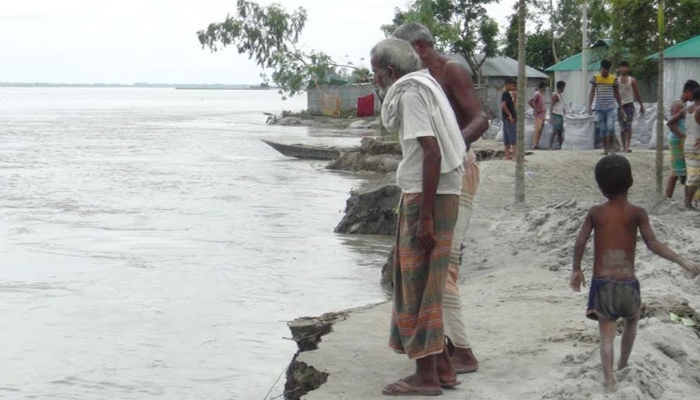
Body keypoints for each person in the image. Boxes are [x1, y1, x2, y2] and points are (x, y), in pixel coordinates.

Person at [371, 37, 467, 396]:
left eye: (376, 74)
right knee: (428, 282)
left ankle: (426, 377)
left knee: (416, 285)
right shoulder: (426, 84)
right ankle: (441, 368)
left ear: (389, 71)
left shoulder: (410, 94)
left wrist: (423, 216)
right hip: (442, 193)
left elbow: (431, 152)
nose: (375, 81)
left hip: (428, 196)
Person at [393, 21, 488, 375]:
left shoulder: (450, 71)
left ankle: (461, 350)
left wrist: (452, 147)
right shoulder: (419, 82)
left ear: (418, 47)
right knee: (439, 263)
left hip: (456, 172)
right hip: (439, 175)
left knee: (443, 267)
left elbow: (481, 119)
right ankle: (445, 346)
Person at [570, 155, 700, 392]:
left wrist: (576, 269)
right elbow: (653, 243)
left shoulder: (596, 212)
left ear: (600, 186)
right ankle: (623, 364)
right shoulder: (637, 212)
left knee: (606, 334)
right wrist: (682, 260)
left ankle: (609, 381)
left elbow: (579, 243)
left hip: (602, 284)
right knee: (632, 320)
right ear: (632, 182)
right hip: (628, 282)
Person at [666, 80, 700, 200]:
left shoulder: (684, 106)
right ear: (688, 91)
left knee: (684, 172)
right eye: (693, 93)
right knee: (676, 172)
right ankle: (667, 198)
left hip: (681, 141)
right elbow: (671, 124)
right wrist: (683, 136)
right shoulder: (678, 104)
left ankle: (687, 200)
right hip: (677, 140)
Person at [588, 60, 623, 155]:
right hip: (599, 108)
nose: (605, 72)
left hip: (611, 107)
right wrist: (590, 106)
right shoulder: (595, 78)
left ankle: (611, 147)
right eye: (604, 70)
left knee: (611, 127)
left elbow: (617, 93)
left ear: (609, 70)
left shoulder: (613, 79)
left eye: (607, 70)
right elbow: (592, 92)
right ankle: (605, 149)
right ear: (601, 69)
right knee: (602, 129)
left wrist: (621, 107)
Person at [617, 61, 645, 153]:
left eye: (625, 67)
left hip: (629, 105)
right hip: (620, 105)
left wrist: (641, 105)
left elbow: (637, 93)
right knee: (622, 126)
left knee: (628, 125)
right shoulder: (616, 81)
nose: (624, 69)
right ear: (619, 69)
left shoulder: (632, 80)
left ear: (628, 69)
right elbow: (615, 93)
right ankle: (623, 146)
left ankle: (627, 146)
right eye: (622, 67)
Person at [528, 81, 548, 149]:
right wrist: (536, 109)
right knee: (537, 129)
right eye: (545, 87)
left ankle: (537, 143)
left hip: (542, 114)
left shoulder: (541, 95)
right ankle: (534, 144)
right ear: (543, 87)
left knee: (540, 130)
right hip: (538, 115)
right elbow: (530, 102)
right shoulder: (537, 94)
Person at [502, 78, 518, 160]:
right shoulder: (505, 94)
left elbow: (513, 106)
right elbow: (503, 105)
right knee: (512, 136)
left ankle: (507, 155)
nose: (514, 87)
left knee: (507, 137)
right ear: (507, 85)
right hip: (508, 118)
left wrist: (515, 98)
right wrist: (510, 115)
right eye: (512, 85)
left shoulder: (508, 94)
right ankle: (514, 155)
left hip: (506, 118)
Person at [550, 81, 566, 150]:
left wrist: (564, 111)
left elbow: (560, 105)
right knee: (555, 131)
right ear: (561, 87)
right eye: (564, 87)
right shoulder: (555, 95)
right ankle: (550, 146)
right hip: (556, 115)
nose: (564, 89)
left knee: (559, 132)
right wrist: (550, 115)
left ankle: (561, 146)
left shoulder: (559, 95)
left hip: (560, 114)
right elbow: (552, 105)